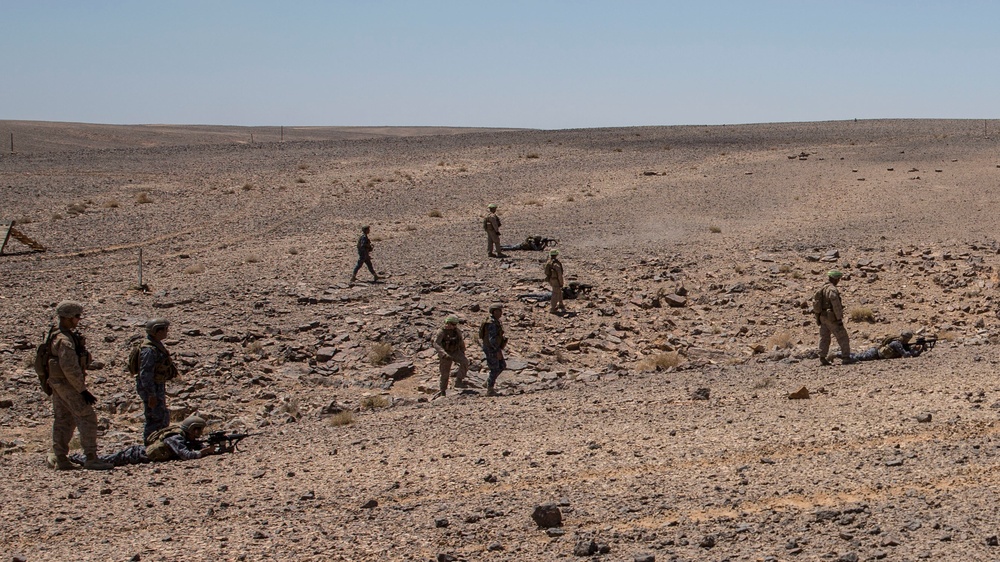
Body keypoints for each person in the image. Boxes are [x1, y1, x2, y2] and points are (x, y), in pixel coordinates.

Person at [44, 301, 113, 471]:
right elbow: (70, 368)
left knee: (64, 419)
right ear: (68, 318)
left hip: (58, 384)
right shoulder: (65, 340)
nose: (78, 320)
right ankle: (91, 457)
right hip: (68, 385)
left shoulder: (55, 335)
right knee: (87, 417)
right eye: (77, 316)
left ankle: (60, 458)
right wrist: (82, 390)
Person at [69, 415, 225, 467]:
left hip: (140, 454)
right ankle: (78, 459)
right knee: (108, 459)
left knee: (109, 458)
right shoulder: (175, 437)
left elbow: (196, 447)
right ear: (193, 429)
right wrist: (204, 452)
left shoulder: (184, 438)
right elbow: (185, 455)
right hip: (136, 454)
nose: (199, 434)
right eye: (198, 430)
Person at [136, 318, 178, 444]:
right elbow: (145, 374)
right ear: (156, 331)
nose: (167, 332)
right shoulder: (149, 350)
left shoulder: (156, 345)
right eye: (164, 329)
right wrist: (151, 395)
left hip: (156, 386)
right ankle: (151, 445)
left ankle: (159, 443)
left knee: (161, 415)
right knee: (155, 417)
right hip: (152, 388)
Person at [814, 270, 853, 365]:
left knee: (824, 337)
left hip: (822, 317)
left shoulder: (821, 288)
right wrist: (839, 318)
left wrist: (818, 318)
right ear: (835, 279)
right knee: (842, 336)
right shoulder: (832, 289)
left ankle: (822, 357)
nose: (838, 281)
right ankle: (846, 357)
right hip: (831, 317)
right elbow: (836, 305)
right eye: (838, 279)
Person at [431, 316, 470, 398]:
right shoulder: (441, 332)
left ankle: (459, 381)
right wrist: (443, 354)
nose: (454, 326)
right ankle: (443, 391)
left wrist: (463, 351)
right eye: (452, 324)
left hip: (455, 351)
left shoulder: (456, 331)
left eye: (455, 324)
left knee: (465, 362)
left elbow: (461, 341)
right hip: (445, 353)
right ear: (447, 323)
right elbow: (436, 344)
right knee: (445, 373)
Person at [480, 304, 508, 396]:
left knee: (502, 365)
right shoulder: (491, 323)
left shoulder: (496, 321)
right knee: (495, 368)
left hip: (493, 348)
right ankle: (490, 390)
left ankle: (488, 381)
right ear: (495, 311)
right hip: (491, 348)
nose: (501, 313)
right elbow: (492, 339)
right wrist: (497, 351)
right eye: (499, 311)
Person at [850, 331, 921, 362]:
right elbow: (905, 354)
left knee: (859, 356)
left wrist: (917, 350)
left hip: (877, 356)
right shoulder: (896, 343)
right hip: (875, 353)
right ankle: (843, 354)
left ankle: (846, 354)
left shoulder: (901, 343)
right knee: (858, 357)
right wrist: (914, 350)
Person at [544, 249, 566, 314]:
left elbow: (546, 272)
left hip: (551, 279)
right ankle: (553, 308)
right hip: (556, 279)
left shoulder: (549, 262)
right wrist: (561, 282)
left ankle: (561, 304)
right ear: (556, 255)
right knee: (555, 293)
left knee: (558, 291)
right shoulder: (556, 264)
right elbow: (559, 275)